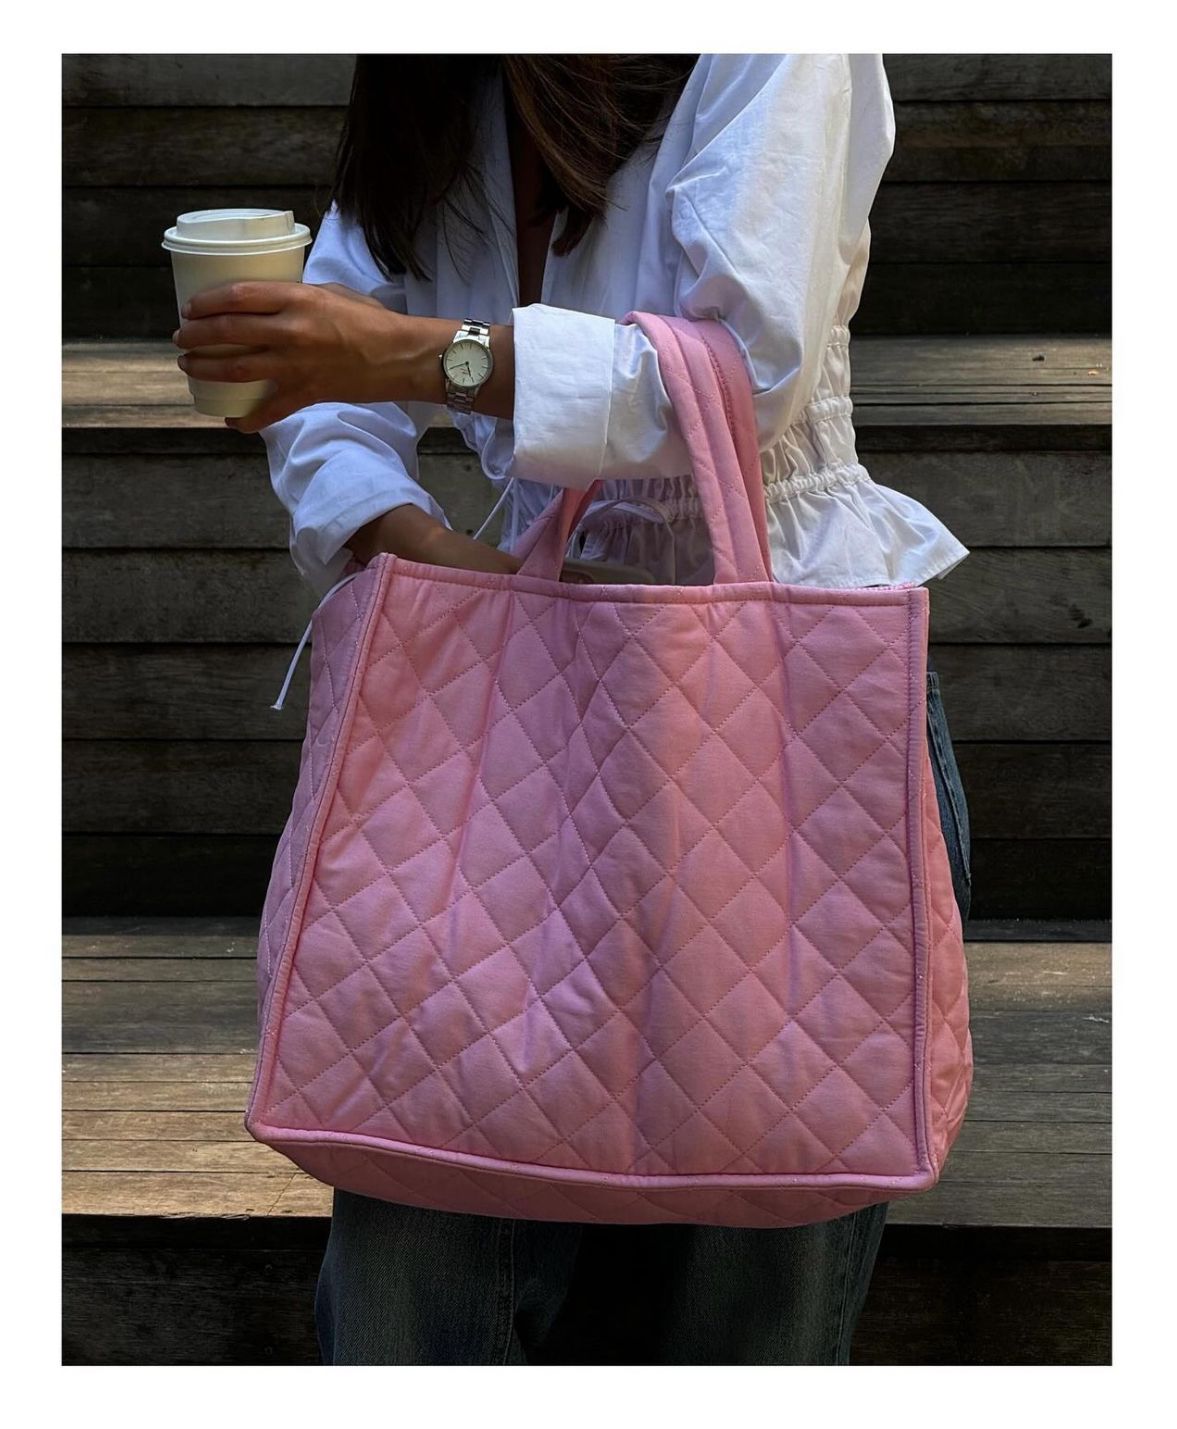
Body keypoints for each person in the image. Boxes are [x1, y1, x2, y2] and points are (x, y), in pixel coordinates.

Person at [172, 53, 973, 1366]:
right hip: (522, 708)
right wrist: (410, 536)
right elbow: (329, 364)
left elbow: (743, 367)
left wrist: (416, 357)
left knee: (739, 1319)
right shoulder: (437, 82)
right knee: (415, 1293)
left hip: (777, 732)